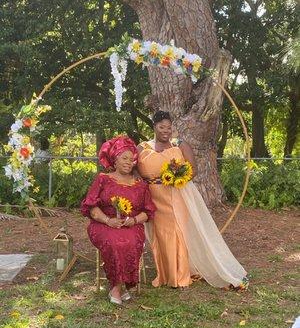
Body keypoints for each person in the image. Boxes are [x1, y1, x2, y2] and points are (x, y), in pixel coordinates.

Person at [137, 110, 248, 290]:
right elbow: (134, 169)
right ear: (154, 127)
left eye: (169, 127)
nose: (166, 130)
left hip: (175, 195)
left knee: (177, 232)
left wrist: (176, 177)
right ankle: (164, 273)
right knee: (159, 235)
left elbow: (193, 170)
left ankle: (179, 276)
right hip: (152, 198)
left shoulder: (180, 145)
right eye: (161, 126)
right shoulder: (142, 147)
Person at [81, 136, 156, 305]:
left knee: (129, 241)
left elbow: (148, 212)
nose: (129, 162)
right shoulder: (103, 179)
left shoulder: (140, 184)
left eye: (131, 159)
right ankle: (116, 287)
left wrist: (134, 220)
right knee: (114, 241)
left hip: (131, 225)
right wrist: (108, 220)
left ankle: (120, 287)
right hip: (103, 224)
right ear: (115, 159)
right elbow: (91, 208)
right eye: (124, 158)